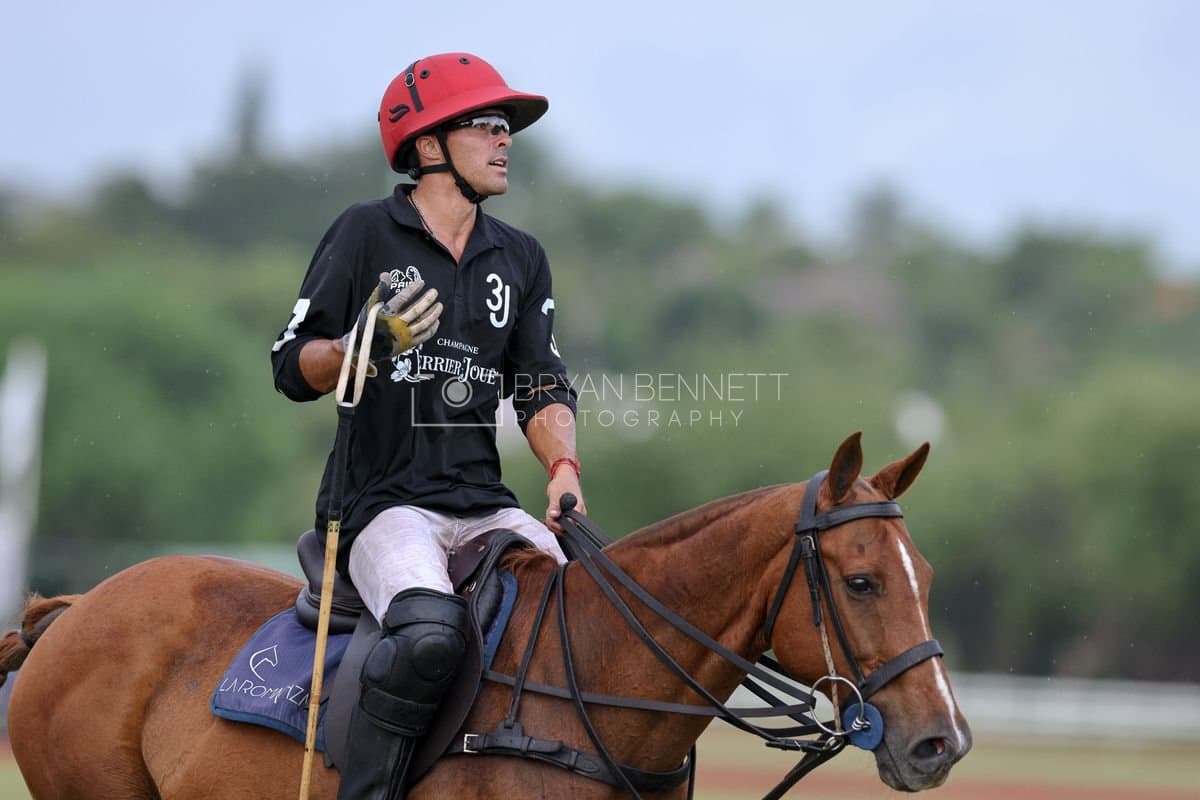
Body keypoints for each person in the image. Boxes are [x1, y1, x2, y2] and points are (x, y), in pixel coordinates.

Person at [270, 52, 585, 799]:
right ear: (428, 145)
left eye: (508, 127)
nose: (505, 139)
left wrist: (564, 469)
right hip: (382, 506)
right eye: (487, 124)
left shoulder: (521, 256)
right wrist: (356, 348)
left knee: (584, 618)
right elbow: (289, 366)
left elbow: (540, 384)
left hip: (485, 503)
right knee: (430, 633)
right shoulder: (364, 232)